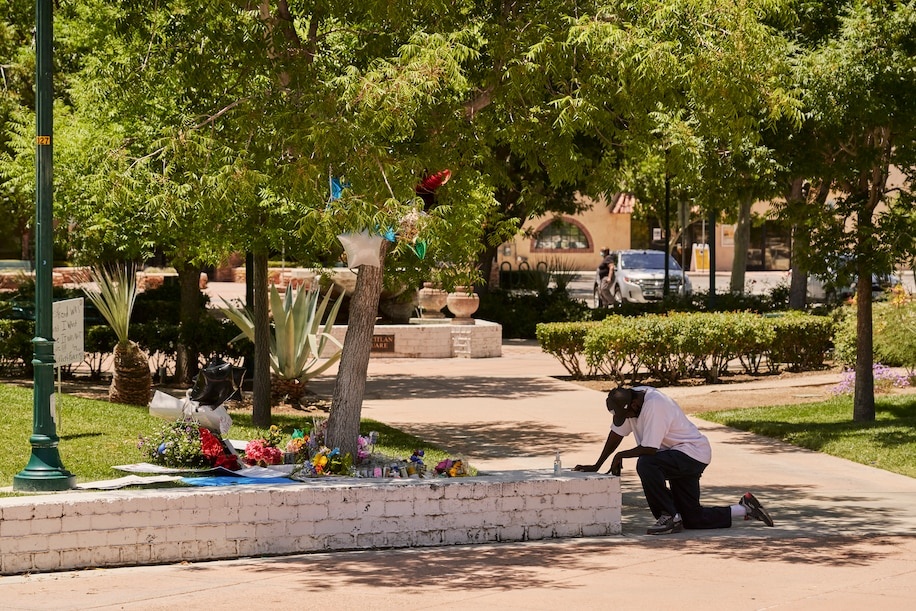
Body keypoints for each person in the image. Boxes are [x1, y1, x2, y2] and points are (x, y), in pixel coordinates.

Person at [574, 386, 774, 535]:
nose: (626, 419)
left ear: (634, 406)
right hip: (675, 456)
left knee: (646, 463)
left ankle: (668, 516)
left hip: (691, 454)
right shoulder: (630, 400)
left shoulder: (655, 405)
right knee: (693, 518)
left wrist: (620, 456)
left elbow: (650, 449)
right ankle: (744, 508)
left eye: (626, 415)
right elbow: (616, 434)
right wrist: (597, 464)